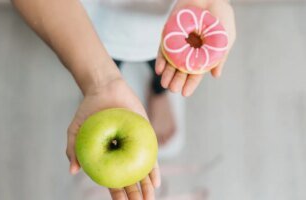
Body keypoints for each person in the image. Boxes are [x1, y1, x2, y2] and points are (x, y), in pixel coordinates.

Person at [12, 0, 236, 199]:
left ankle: (158, 93)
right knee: (115, 62)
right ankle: (130, 87)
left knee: (164, 70)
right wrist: (100, 81)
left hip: (171, 26)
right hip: (87, 29)